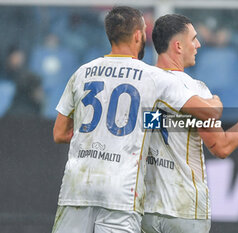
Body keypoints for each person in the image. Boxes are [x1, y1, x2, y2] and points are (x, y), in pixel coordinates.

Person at [51, 7, 222, 233]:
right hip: (121, 191)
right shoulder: (152, 77)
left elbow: (60, 134)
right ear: (138, 35)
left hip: (77, 187)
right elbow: (209, 113)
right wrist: (216, 102)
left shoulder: (82, 72)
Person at [141, 14, 238, 233]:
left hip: (143, 211)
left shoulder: (140, 85)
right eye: (193, 39)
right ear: (178, 45)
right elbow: (221, 147)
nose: (198, 44)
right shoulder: (195, 91)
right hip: (184, 210)